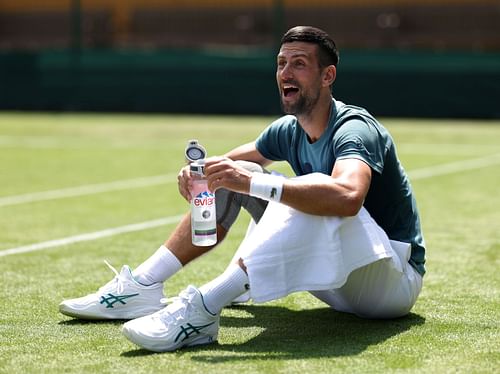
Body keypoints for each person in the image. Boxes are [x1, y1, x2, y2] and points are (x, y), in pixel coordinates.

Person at [59, 26, 426, 352]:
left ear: (327, 75)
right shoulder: (288, 129)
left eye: (298, 64)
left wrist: (249, 180)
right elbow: (228, 167)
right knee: (235, 171)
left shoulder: (354, 127)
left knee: (310, 187)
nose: (285, 72)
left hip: (388, 284)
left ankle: (205, 307)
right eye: (281, 63)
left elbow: (347, 198)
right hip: (331, 278)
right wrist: (199, 172)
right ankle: (142, 286)